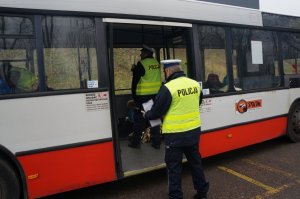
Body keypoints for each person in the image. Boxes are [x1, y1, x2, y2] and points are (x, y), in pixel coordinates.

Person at [143, 59, 209, 199]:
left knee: (174, 167)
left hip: (174, 136)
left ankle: (176, 196)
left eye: (164, 71)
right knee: (196, 163)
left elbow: (156, 112)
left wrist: (146, 114)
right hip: (193, 132)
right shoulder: (195, 84)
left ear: (168, 71)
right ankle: (202, 192)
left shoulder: (168, 88)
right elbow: (198, 102)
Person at [128, 45, 162, 149]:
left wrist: (134, 96)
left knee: (139, 120)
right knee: (155, 119)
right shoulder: (156, 63)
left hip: (143, 97)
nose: (140, 54)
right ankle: (157, 142)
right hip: (155, 96)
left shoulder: (141, 64)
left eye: (142, 53)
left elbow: (135, 82)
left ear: (147, 53)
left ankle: (135, 143)